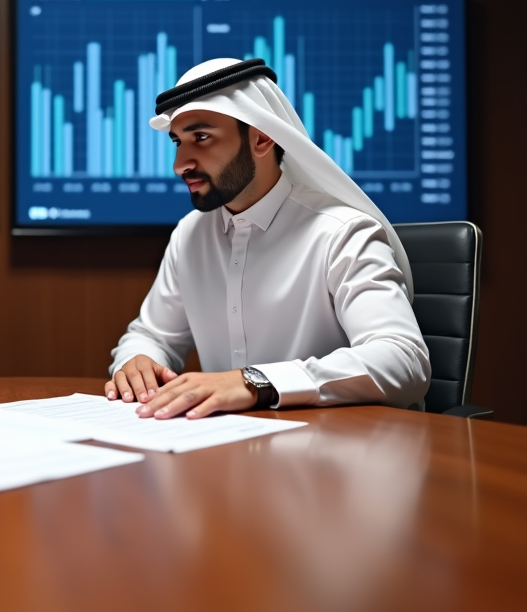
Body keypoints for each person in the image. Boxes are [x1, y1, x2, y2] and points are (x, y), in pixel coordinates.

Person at [106, 58, 430, 420]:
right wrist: (139, 361)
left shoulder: (342, 232)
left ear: (261, 137)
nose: (180, 164)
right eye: (178, 142)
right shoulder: (190, 234)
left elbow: (404, 360)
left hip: (331, 453)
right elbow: (152, 335)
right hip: (217, 450)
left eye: (201, 138)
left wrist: (255, 382)